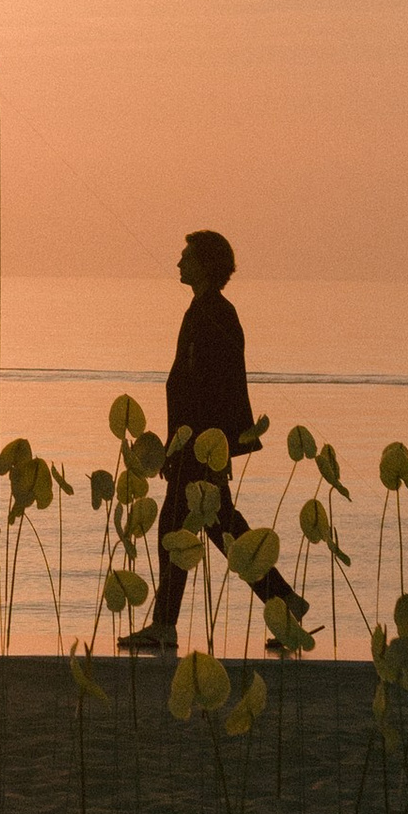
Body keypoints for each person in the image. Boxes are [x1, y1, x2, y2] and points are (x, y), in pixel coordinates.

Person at [120, 227, 307, 653]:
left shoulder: (216, 313)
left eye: (186, 256)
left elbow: (218, 385)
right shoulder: (203, 309)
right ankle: (285, 601)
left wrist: (206, 448)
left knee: (182, 528)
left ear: (205, 265)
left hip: (202, 444)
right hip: (194, 443)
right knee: (220, 528)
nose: (179, 262)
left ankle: (166, 625)